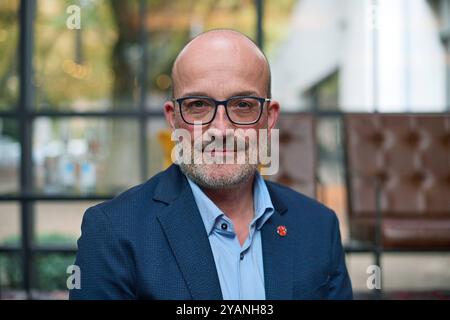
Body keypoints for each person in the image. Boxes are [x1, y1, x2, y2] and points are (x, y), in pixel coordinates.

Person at [69, 29, 352, 300]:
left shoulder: (318, 226)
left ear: (269, 117)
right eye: (198, 105)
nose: (220, 129)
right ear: (173, 118)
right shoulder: (113, 231)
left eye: (242, 105)